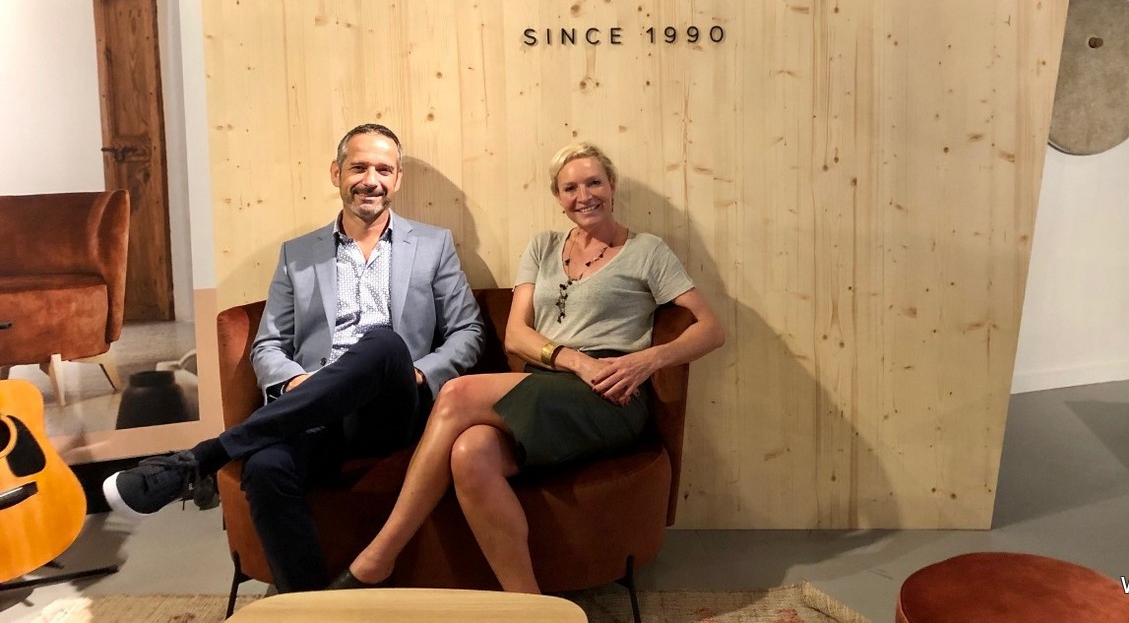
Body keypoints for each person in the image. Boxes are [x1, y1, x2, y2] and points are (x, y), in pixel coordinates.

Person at [103, 123, 484, 592]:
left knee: (384, 344)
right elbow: (268, 344)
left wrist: (419, 375)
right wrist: (296, 384)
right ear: (336, 173)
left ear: (398, 178)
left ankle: (202, 458)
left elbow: (469, 331)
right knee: (266, 469)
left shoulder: (432, 244)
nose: (371, 180)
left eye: (384, 170)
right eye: (359, 167)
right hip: (312, 411)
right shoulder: (298, 254)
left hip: (389, 408)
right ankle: (309, 607)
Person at [329, 140, 724, 591]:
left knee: (457, 392)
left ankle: (378, 557)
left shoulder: (647, 250)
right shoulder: (543, 247)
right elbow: (517, 334)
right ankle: (529, 606)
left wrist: (645, 361)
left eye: (594, 183)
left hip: (610, 394)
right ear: (558, 197)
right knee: (470, 453)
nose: (584, 196)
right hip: (553, 381)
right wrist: (574, 362)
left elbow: (711, 329)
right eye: (570, 188)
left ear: (612, 186)